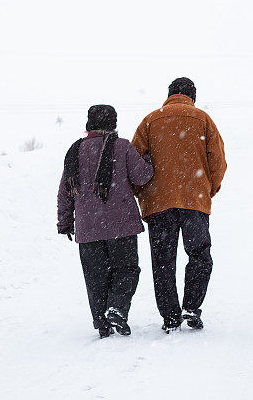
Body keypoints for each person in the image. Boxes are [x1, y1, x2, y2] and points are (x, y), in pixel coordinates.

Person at [131, 77, 227, 332]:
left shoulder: (150, 121)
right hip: (194, 202)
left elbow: (134, 162)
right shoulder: (203, 119)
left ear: (169, 94)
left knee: (163, 261)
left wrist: (143, 193)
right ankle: (191, 308)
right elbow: (218, 161)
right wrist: (209, 189)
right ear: (192, 96)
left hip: (158, 204)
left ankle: (170, 317)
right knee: (199, 255)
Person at [57, 104, 154, 338]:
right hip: (121, 225)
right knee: (127, 269)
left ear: (89, 124)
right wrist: (149, 159)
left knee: (95, 277)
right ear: (113, 123)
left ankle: (102, 323)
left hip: (88, 228)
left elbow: (64, 191)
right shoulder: (121, 147)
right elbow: (142, 176)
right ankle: (117, 308)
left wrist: (64, 221)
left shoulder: (74, 151)